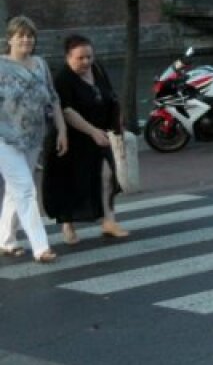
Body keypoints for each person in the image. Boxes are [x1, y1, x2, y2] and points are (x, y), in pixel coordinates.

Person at [42, 35, 130, 245]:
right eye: (80, 58)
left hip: (98, 134)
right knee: (71, 182)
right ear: (68, 58)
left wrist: (117, 122)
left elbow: (109, 95)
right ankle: (68, 225)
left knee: (107, 175)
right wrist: (92, 131)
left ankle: (109, 220)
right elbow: (68, 111)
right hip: (71, 138)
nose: (86, 62)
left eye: (89, 57)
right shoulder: (62, 78)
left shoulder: (97, 69)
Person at [0, 16, 67, 263]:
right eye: (21, 36)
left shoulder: (40, 64)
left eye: (30, 36)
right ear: (10, 39)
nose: (27, 40)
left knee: (14, 190)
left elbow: (53, 98)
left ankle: (5, 240)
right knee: (26, 189)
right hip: (4, 139)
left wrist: (61, 130)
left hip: (33, 137)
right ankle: (41, 247)